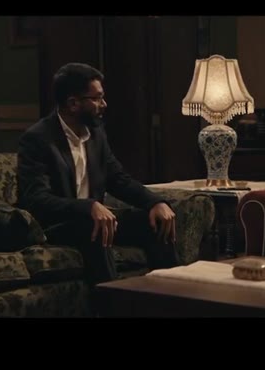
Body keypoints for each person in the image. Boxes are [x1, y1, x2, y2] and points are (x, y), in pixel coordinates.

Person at [16, 62, 178, 284]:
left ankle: (170, 295)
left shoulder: (96, 133)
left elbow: (118, 179)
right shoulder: (37, 139)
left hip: (93, 220)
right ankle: (111, 300)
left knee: (154, 223)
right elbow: (37, 199)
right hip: (56, 226)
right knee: (96, 228)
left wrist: (155, 202)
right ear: (73, 103)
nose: (104, 104)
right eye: (97, 98)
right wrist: (88, 207)